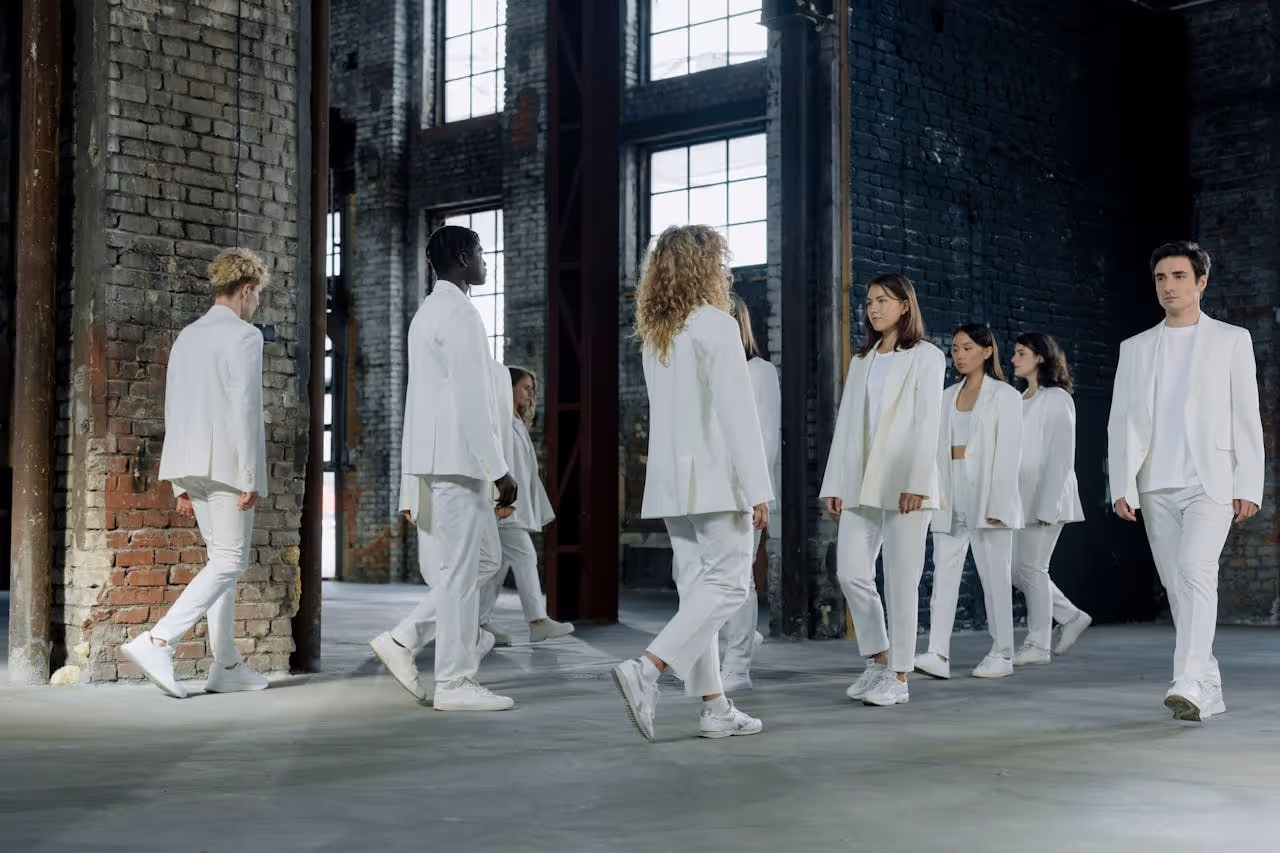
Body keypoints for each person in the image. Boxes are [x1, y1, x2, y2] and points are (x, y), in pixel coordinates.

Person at [611, 225, 772, 742]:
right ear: (706, 267)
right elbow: (737, 415)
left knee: (697, 592)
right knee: (730, 586)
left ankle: (715, 706)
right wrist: (758, 488)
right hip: (717, 480)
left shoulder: (659, 334)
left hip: (672, 483)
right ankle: (647, 669)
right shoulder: (716, 324)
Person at [1108, 240, 1263, 721]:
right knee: (1180, 587)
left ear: (1201, 282)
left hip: (1210, 480)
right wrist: (1121, 485)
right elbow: (1122, 421)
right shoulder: (1134, 348)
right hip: (1155, 483)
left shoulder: (1231, 340)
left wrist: (1249, 484)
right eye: (1160, 278)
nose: (1168, 286)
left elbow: (1246, 415)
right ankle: (1209, 685)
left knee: (1197, 573)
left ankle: (1188, 680)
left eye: (1178, 276)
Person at [368, 225, 518, 712]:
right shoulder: (460, 313)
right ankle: (453, 681)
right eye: (479, 252)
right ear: (459, 257)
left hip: (443, 459)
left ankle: (407, 638)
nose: (484, 260)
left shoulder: (427, 313)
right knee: (460, 572)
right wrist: (498, 470)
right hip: (460, 461)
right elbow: (471, 401)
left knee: (484, 564)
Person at [122, 248, 272, 698]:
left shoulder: (187, 335)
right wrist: (250, 474)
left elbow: (176, 406)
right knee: (230, 561)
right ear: (246, 290)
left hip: (192, 465)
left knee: (219, 562)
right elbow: (245, 409)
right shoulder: (244, 336)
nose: (257, 305)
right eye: (258, 296)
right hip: (228, 465)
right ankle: (159, 641)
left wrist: (180, 481)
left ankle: (225, 664)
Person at [820, 273, 945, 707]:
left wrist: (916, 481)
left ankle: (900, 677)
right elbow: (847, 426)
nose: (873, 309)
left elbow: (929, 423)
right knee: (850, 571)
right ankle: (878, 659)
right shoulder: (863, 359)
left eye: (883, 301)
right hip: (860, 481)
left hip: (906, 483)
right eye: (869, 301)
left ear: (905, 306)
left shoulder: (926, 357)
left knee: (900, 581)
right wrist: (836, 482)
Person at [915, 323, 1023, 680]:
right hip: (950, 491)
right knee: (944, 573)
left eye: (967, 348)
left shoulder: (1005, 396)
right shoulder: (945, 396)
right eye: (956, 349)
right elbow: (932, 450)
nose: (959, 355)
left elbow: (1009, 455)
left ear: (987, 351)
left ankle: (1002, 653)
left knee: (994, 578)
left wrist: (998, 505)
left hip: (988, 493)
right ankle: (937, 652)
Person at [1009, 332, 1090, 665]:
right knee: (1016, 571)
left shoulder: (1057, 399)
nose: (1013, 359)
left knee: (1032, 568)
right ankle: (1070, 617)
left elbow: (1061, 456)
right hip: (1020, 497)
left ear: (1040, 357)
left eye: (1020, 353)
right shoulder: (1019, 400)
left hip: (1046, 497)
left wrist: (1048, 504)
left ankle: (1038, 644)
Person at [481, 367, 575, 644]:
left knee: (497, 567)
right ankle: (537, 621)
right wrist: (497, 500)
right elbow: (498, 467)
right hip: (504, 506)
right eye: (525, 387)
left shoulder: (517, 424)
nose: (531, 392)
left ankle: (479, 625)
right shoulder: (500, 423)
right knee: (524, 556)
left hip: (513, 506)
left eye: (533, 387)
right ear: (506, 388)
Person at [718, 294, 779, 692]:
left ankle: (737, 665)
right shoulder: (707, 373)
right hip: (707, 491)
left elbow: (767, 438)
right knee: (712, 579)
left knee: (740, 580)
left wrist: (758, 493)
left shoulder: (759, 371)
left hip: (743, 491)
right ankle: (731, 648)